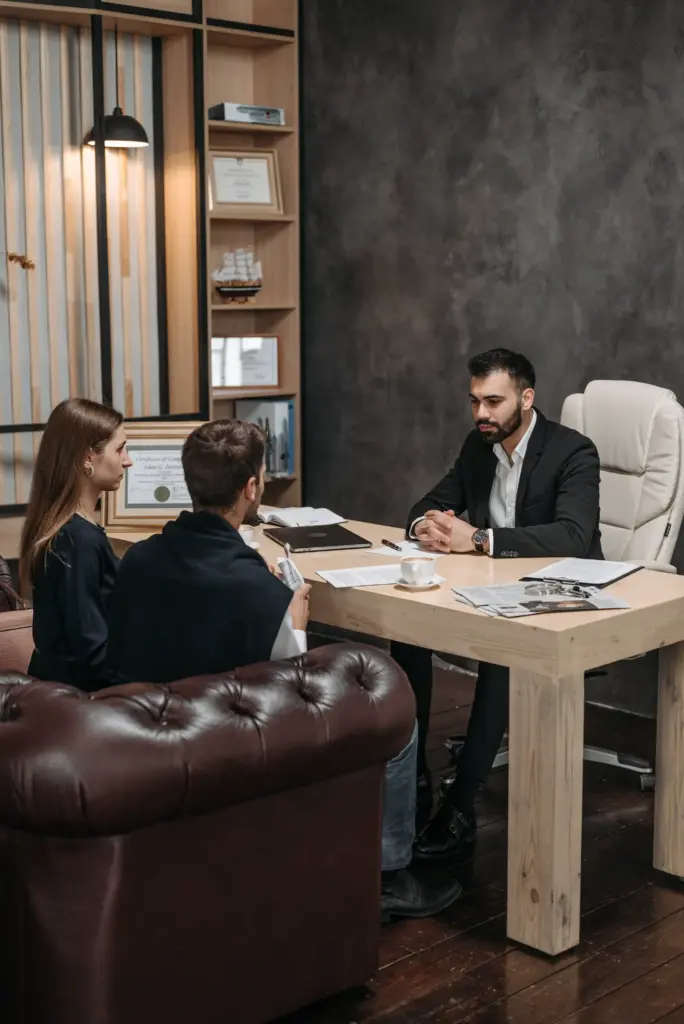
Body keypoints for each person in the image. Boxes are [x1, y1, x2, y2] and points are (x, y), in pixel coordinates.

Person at [108, 419, 462, 920]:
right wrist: (294, 627)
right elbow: (293, 703)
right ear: (252, 487)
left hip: (142, 731)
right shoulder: (259, 593)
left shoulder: (139, 559)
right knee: (398, 714)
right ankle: (386, 879)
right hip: (222, 745)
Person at [392, 348, 602, 860]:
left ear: (526, 399)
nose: (481, 413)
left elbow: (573, 535)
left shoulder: (574, 451)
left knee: (501, 654)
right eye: (474, 401)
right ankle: (414, 778)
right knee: (408, 628)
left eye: (493, 401)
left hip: (561, 591)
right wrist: (429, 528)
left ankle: (461, 806)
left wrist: (480, 540)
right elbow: (424, 507)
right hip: (489, 584)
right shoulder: (478, 446)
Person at [20, 398, 132, 690]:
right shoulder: (77, 541)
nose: (128, 460)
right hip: (80, 703)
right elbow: (92, 654)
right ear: (86, 458)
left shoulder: (67, 529)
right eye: (119, 449)